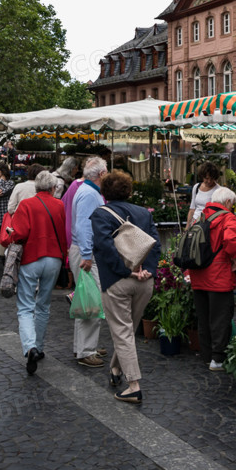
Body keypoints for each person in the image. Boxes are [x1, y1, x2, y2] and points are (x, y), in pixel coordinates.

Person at [91, 169, 160, 405]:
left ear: (104, 192)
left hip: (117, 281)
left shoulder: (101, 214)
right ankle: (116, 371)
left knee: (122, 332)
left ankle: (133, 386)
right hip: (145, 281)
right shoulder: (143, 212)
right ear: (128, 190)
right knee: (127, 330)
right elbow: (154, 242)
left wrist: (124, 271)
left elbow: (104, 247)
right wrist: (149, 269)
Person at [6, 170, 67, 375]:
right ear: (53, 187)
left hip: (31, 258)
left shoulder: (26, 205)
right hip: (54, 258)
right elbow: (63, 232)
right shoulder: (59, 205)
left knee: (25, 306)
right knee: (43, 305)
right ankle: (39, 348)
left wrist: (11, 233)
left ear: (36, 187)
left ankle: (30, 346)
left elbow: (20, 233)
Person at [187, 187, 236, 370]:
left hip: (198, 274)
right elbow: (231, 242)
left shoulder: (201, 216)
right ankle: (217, 359)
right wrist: (235, 258)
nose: (232, 208)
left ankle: (206, 355)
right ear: (227, 203)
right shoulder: (228, 217)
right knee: (220, 318)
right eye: (232, 205)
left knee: (204, 317)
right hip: (218, 276)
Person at [70, 155, 108, 367]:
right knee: (92, 301)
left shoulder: (86, 191)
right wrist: (86, 255)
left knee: (86, 300)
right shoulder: (89, 194)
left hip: (84, 251)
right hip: (87, 253)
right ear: (102, 174)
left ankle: (83, 347)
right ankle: (86, 350)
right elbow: (84, 226)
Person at [185, 162, 222, 229]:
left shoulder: (218, 190)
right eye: (207, 178)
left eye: (212, 178)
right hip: (195, 224)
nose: (209, 181)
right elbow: (192, 209)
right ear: (202, 176)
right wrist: (187, 227)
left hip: (209, 226)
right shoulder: (196, 187)